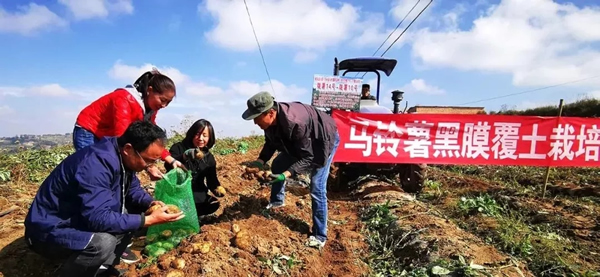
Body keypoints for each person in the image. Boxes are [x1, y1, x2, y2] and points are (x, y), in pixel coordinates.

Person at [24, 121, 185, 277]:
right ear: (129, 149)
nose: (149, 166)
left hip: (80, 217)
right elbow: (97, 218)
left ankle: (102, 269)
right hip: (49, 230)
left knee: (135, 213)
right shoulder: (96, 165)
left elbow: (133, 189)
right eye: (148, 160)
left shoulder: (122, 157)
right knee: (102, 243)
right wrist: (147, 220)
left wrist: (150, 203)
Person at [241, 91, 340, 250]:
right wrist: (259, 162)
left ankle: (319, 235)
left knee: (317, 186)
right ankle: (276, 201)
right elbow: (270, 143)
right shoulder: (270, 122)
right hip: (302, 141)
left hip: (322, 140)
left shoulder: (295, 123)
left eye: (256, 118)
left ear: (271, 113)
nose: (255, 123)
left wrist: (284, 176)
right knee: (278, 163)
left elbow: (308, 157)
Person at [73, 68, 186, 180]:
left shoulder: (150, 108)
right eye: (162, 100)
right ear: (150, 90)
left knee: (114, 170)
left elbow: (151, 136)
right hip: (89, 130)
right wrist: (148, 165)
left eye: (168, 102)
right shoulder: (124, 98)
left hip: (108, 134)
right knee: (93, 169)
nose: (164, 105)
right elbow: (123, 135)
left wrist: (170, 159)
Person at [165, 119, 225, 217]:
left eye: (205, 135)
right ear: (192, 134)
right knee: (180, 206)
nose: (201, 138)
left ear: (210, 138)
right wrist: (184, 156)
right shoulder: (178, 147)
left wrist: (217, 189)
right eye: (197, 134)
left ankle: (192, 216)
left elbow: (212, 180)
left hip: (196, 192)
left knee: (213, 204)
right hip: (177, 191)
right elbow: (168, 165)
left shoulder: (209, 158)